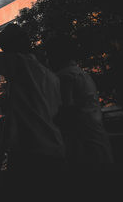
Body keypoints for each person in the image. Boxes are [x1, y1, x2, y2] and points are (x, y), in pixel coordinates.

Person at [0, 23, 66, 200]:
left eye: (4, 47)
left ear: (11, 48)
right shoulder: (51, 77)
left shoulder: (19, 62)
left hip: (31, 152)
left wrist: (4, 33)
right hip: (56, 150)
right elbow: (57, 114)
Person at [45, 36, 113, 166]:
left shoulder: (64, 77)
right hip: (97, 140)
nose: (47, 60)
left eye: (49, 54)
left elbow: (67, 112)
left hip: (83, 147)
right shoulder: (81, 73)